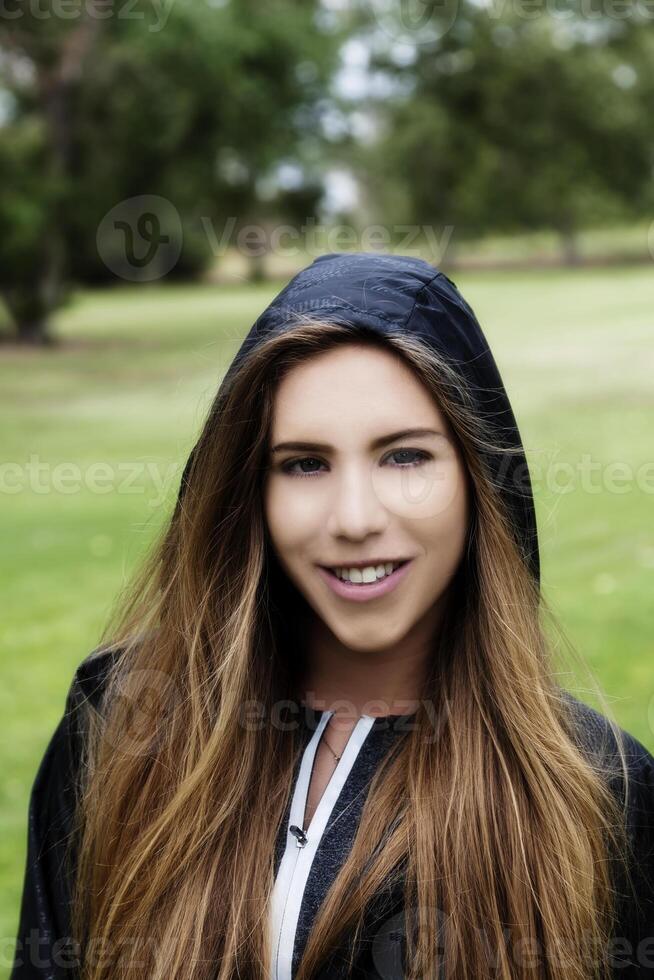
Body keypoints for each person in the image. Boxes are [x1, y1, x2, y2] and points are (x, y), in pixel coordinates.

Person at [10, 252, 654, 980]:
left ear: (478, 480)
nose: (354, 519)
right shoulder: (124, 720)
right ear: (249, 491)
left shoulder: (598, 787)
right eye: (305, 464)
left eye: (405, 457)